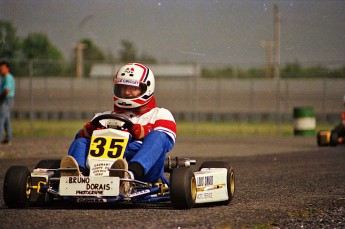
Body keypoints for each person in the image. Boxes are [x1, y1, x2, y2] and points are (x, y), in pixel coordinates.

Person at [60, 63, 176, 192]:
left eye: (132, 88)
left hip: (143, 172)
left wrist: (144, 131)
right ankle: (78, 178)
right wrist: (88, 131)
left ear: (146, 88)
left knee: (158, 136)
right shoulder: (103, 116)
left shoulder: (160, 114)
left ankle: (128, 176)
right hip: (99, 165)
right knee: (81, 141)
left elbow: (165, 141)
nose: (126, 92)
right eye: (123, 87)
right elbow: (80, 141)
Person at [0, 61, 15, 145]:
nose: (1, 69)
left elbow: (7, 90)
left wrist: (1, 95)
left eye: (3, 68)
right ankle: (9, 138)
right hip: (6, 99)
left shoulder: (8, 77)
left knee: (1, 118)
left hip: (6, 99)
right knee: (6, 120)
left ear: (7, 68)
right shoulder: (5, 77)